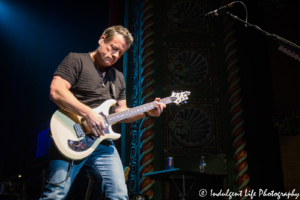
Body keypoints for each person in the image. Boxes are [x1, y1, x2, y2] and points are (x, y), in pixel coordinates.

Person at [41, 25, 166, 200]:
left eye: (120, 53)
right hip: (69, 135)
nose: (115, 55)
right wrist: (87, 113)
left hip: (101, 143)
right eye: (113, 48)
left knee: (119, 195)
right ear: (102, 40)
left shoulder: (118, 77)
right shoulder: (76, 60)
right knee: (56, 194)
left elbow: (122, 112)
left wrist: (146, 112)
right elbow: (56, 91)